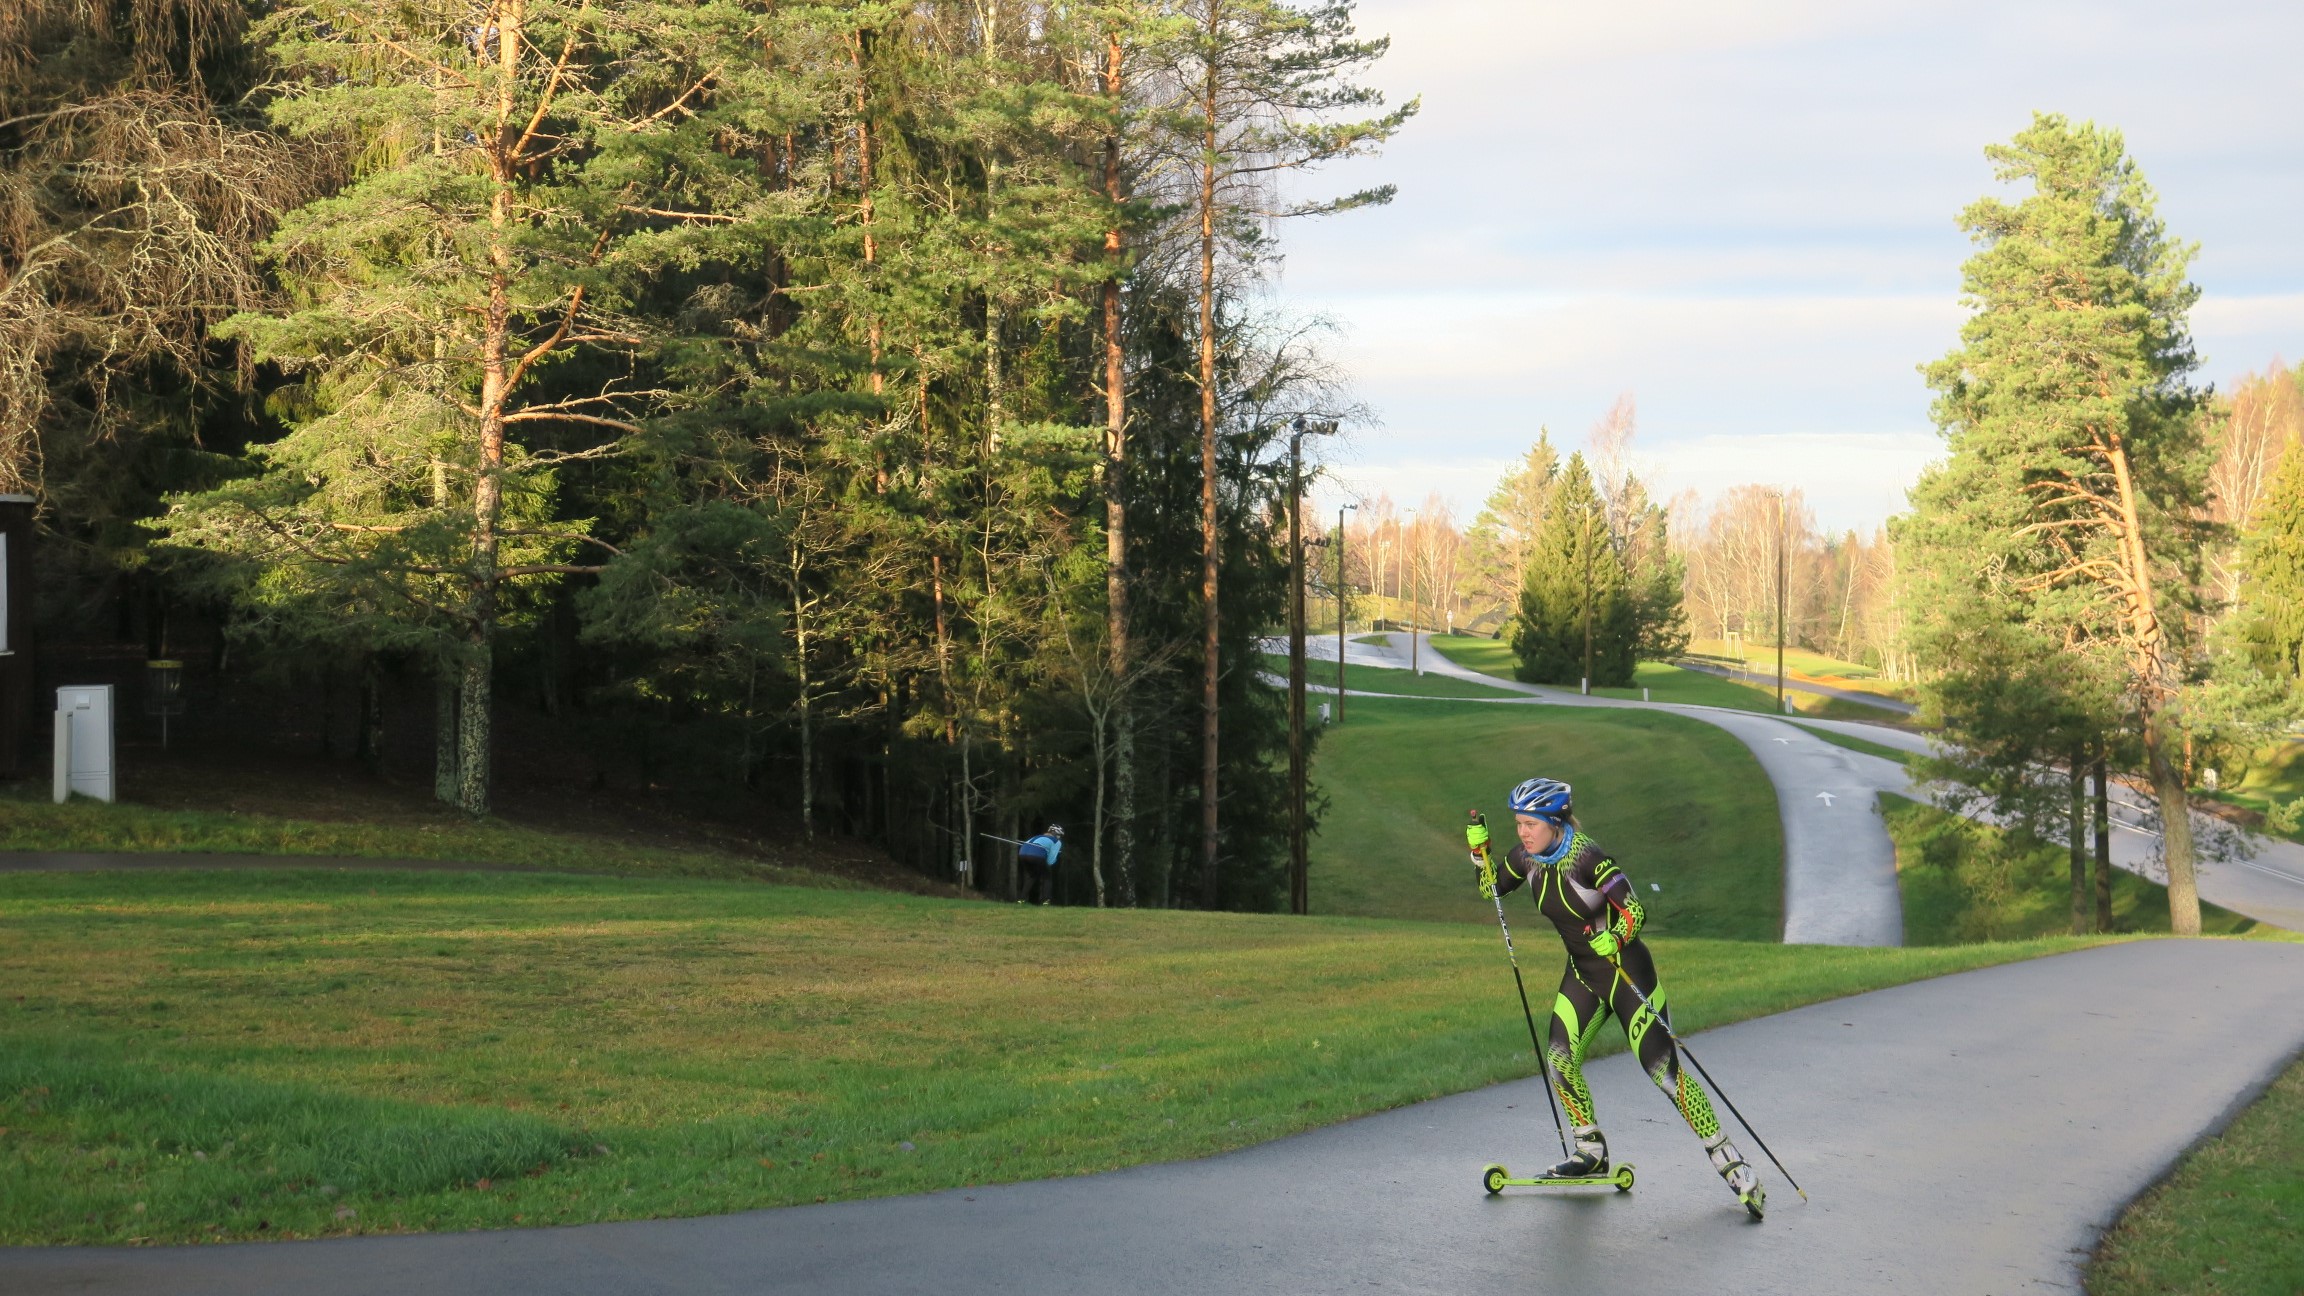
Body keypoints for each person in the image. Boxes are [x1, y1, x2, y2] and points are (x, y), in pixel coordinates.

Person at [1467, 777, 1766, 1219]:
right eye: (1518, 824)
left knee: (1663, 1072)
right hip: (1584, 976)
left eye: (1530, 824)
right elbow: (1490, 891)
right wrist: (1480, 855)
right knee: (1559, 1059)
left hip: (1628, 976)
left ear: (1555, 821)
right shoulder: (1525, 858)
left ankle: (1730, 1160)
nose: (1523, 833)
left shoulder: (1588, 857)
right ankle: (1589, 1150)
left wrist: (1618, 935)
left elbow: (1636, 909)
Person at [1016, 825, 1064, 905]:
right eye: (1060, 835)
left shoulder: (1037, 836)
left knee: (1032, 876)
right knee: (1047, 876)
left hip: (1022, 854)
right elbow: (1050, 861)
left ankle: (1021, 899)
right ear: (1057, 835)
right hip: (1036, 855)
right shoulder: (1056, 841)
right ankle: (1046, 900)